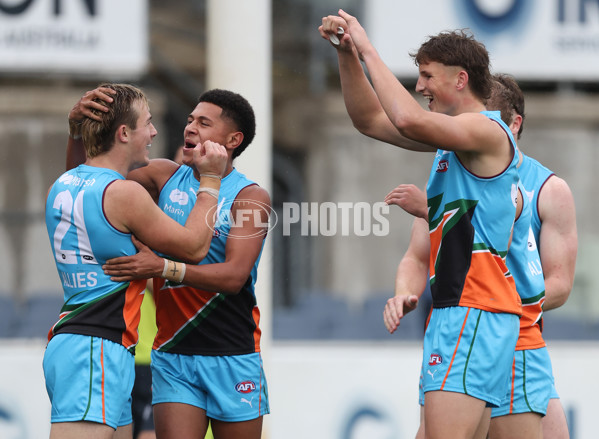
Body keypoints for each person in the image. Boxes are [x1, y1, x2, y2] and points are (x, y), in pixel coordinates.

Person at [320, 10, 522, 439]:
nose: (420, 86)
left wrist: (368, 45)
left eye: (427, 75)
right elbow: (371, 121)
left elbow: (406, 117)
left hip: (473, 311)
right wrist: (347, 54)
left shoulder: (487, 130)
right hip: (463, 313)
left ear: (460, 80)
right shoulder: (454, 137)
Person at [69, 88, 271, 439]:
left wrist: (161, 267)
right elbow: (84, 184)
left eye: (204, 123)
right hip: (173, 354)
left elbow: (234, 277)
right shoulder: (162, 175)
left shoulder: (250, 196)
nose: (190, 127)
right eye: (190, 119)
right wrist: (76, 133)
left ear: (233, 140)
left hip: (233, 353)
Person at [385, 74, 577, 439]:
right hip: (467, 328)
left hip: (517, 337)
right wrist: (403, 292)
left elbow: (560, 285)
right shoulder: (448, 173)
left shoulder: (549, 189)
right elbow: (415, 255)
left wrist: (494, 304)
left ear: (512, 124)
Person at [44, 83, 228, 439]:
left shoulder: (64, 183)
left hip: (80, 340)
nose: (154, 132)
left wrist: (75, 132)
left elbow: (84, 176)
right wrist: (210, 180)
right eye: (148, 122)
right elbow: (193, 248)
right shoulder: (124, 193)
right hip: (96, 348)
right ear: (124, 133)